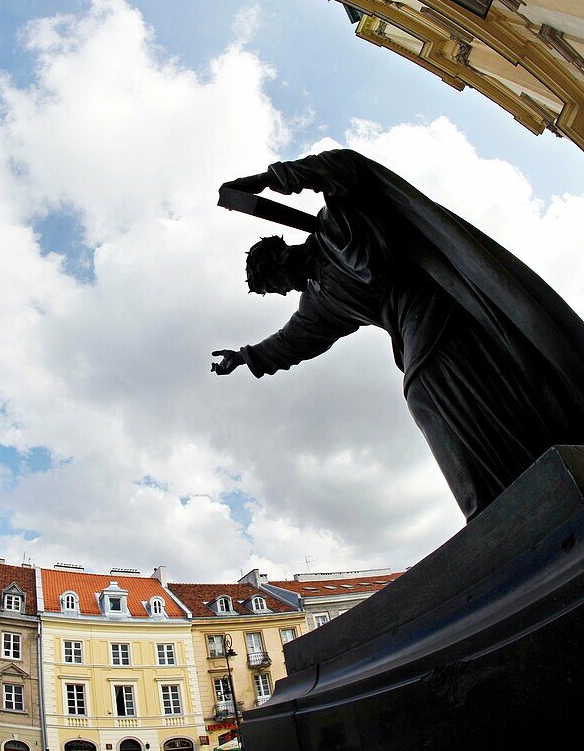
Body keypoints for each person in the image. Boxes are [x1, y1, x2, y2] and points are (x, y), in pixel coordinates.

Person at [212, 150, 584, 522]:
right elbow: (292, 341)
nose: (280, 293)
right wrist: (245, 356)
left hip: (438, 301)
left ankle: (493, 504)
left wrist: (268, 179)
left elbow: (344, 167)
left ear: (278, 259)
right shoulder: (318, 303)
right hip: (412, 329)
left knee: (424, 389)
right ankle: (504, 495)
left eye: (271, 286)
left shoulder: (335, 224)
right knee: (435, 392)